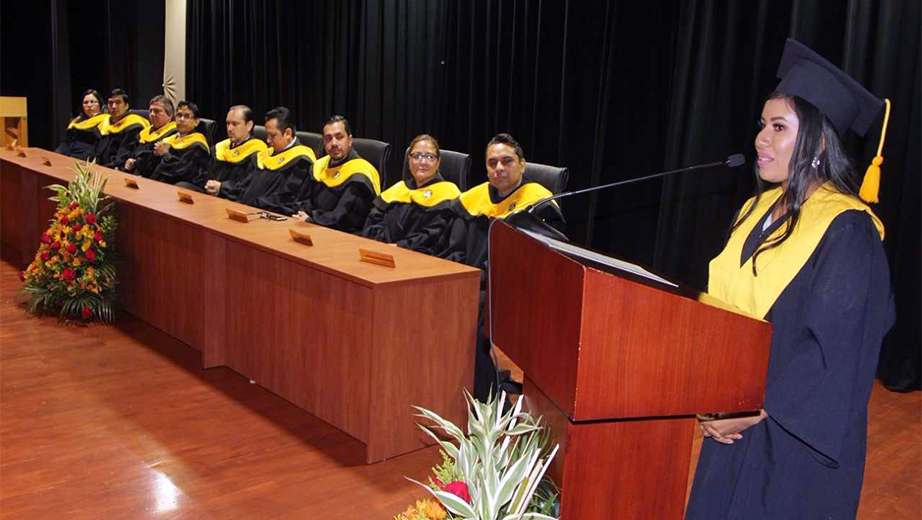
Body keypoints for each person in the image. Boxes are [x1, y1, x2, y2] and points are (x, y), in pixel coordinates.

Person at [685, 39, 895, 520]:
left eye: (779, 127)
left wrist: (753, 406)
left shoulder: (848, 230)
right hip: (732, 423)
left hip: (792, 438)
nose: (761, 138)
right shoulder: (753, 211)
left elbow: (836, 353)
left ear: (819, 141)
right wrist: (708, 392)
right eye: (762, 125)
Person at [441, 133, 565, 403]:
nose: (499, 168)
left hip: (512, 288)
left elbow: (542, 262)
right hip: (472, 282)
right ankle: (448, 388)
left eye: (507, 161)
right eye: (492, 163)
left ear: (522, 165)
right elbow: (455, 246)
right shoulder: (473, 199)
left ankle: (489, 405)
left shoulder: (537, 202)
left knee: (466, 326)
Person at [361, 134, 460, 253]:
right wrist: (382, 245)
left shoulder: (448, 194)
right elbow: (373, 222)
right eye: (416, 156)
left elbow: (435, 236)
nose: (422, 162)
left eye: (429, 156)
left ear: (438, 162)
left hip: (423, 261)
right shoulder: (398, 190)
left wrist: (400, 247)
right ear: (409, 160)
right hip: (383, 254)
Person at [288, 115, 380, 233]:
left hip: (346, 236)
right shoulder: (319, 166)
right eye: (328, 138)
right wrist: (302, 214)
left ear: (350, 140)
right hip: (314, 228)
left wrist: (312, 219)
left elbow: (343, 217)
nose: (334, 143)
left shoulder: (360, 174)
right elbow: (305, 200)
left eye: (339, 137)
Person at [221, 107, 315, 210]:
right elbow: (245, 186)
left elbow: (288, 198)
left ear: (288, 133)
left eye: (272, 135)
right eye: (267, 134)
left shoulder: (301, 162)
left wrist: (256, 203)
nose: (268, 140)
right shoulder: (263, 157)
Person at [194, 105, 268, 196]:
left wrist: (222, 187)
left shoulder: (256, 153)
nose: (229, 129)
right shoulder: (220, 148)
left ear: (249, 125)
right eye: (228, 124)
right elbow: (203, 173)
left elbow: (250, 187)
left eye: (235, 124)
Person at [147, 100, 211, 186]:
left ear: (196, 122)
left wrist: (165, 154)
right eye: (179, 115)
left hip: (183, 186)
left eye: (187, 116)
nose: (181, 119)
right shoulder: (169, 139)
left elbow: (183, 172)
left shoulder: (197, 145)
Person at [94, 89, 149, 168]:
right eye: (110, 103)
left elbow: (122, 157)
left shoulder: (133, 126)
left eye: (118, 102)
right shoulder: (104, 125)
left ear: (126, 106)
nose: (113, 106)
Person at [124, 95, 177, 175]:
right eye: (150, 111)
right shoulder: (144, 132)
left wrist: (137, 163)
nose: (152, 114)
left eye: (157, 111)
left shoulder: (173, 134)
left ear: (169, 115)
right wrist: (130, 161)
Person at [55, 89, 108, 160]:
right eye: (85, 103)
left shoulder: (106, 120)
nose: (89, 105)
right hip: (68, 151)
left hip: (87, 154)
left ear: (100, 104)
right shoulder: (76, 121)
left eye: (92, 102)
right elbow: (67, 142)